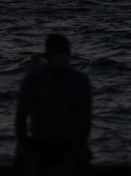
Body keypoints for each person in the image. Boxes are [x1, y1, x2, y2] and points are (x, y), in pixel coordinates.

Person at [15, 34, 92, 176]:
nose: (62, 56)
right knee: (25, 159)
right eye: (57, 52)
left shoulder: (80, 81)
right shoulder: (33, 80)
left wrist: (80, 144)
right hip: (39, 141)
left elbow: (85, 118)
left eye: (65, 52)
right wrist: (23, 144)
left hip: (69, 141)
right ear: (48, 55)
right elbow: (21, 117)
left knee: (80, 158)